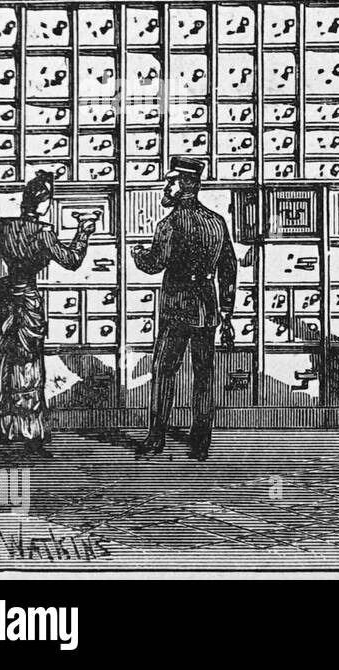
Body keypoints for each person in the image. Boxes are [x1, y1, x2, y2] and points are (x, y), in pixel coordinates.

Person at [0, 171, 97, 457]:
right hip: (27, 304)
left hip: (1, 304)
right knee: (26, 369)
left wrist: (0, 292)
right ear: (46, 204)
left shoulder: (3, 226)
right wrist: (84, 231)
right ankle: (29, 435)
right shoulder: (44, 233)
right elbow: (73, 261)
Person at [131, 156, 237, 461]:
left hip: (177, 306)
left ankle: (156, 438)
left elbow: (155, 264)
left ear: (187, 184)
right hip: (207, 307)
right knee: (204, 374)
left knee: (164, 370)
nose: (167, 186)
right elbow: (228, 268)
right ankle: (201, 442)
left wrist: (138, 254)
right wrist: (227, 311)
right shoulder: (217, 222)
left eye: (172, 181)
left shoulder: (170, 223)